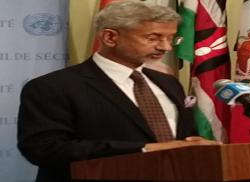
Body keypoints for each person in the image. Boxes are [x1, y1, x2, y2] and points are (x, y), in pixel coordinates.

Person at [17, 1, 219, 182]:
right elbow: (44, 149)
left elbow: (181, 139)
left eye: (171, 38)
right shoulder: (53, 87)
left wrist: (196, 145)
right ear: (110, 37)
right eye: (153, 38)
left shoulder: (169, 83)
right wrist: (145, 149)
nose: (166, 47)